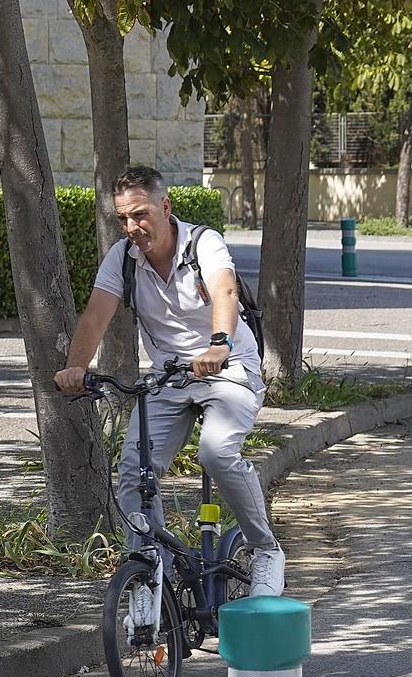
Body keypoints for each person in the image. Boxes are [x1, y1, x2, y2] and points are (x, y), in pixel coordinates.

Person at [55, 165, 284, 597]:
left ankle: (265, 549)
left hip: (229, 368)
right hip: (170, 377)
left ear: (165, 206)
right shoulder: (123, 256)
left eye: (140, 214)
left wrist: (218, 345)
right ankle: (151, 570)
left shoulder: (203, 243)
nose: (132, 227)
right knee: (133, 473)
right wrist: (76, 367)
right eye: (123, 218)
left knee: (216, 453)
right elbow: (96, 315)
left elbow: (225, 292)